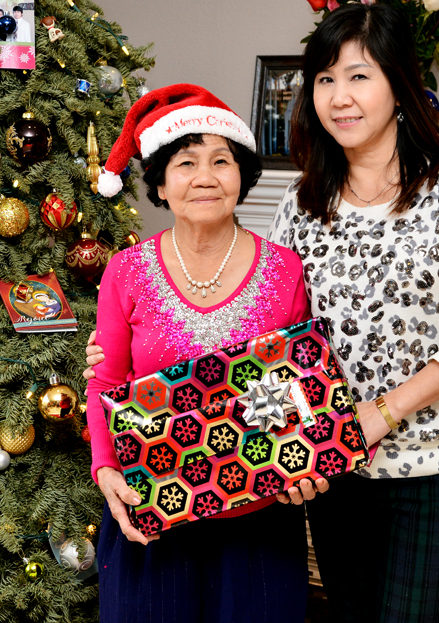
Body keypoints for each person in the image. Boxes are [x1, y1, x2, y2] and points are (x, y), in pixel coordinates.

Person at [269, 1, 439, 622]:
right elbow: (272, 332)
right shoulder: (300, 202)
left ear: (399, 85)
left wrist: (385, 411)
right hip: (335, 473)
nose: (339, 96)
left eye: (359, 76)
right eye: (325, 79)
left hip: (436, 472)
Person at [85, 84, 318, 623]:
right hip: (151, 512)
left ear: (242, 176)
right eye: (185, 163)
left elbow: (300, 387)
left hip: (260, 516)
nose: (206, 177)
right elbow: (105, 384)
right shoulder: (126, 270)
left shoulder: (286, 270)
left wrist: (309, 460)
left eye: (221, 160)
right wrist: (104, 470)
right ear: (161, 186)